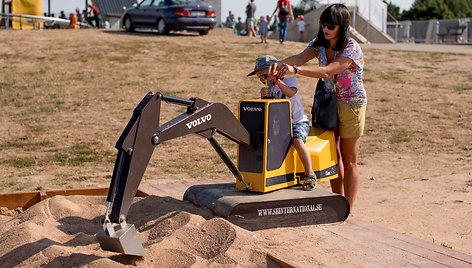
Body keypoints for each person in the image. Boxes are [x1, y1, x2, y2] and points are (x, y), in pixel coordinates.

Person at [267, 4, 367, 210]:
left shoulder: (351, 48)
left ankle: (349, 207)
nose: (326, 29)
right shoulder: (319, 44)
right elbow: (299, 57)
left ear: (342, 26)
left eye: (331, 25)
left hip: (351, 105)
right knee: (334, 155)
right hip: (327, 104)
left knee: (349, 160)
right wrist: (276, 65)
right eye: (323, 24)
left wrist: (295, 70)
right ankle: (338, 204)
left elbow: (328, 71)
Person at [248, 55, 317, 190]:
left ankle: (309, 173)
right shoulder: (269, 88)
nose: (262, 80)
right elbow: (268, 109)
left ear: (275, 70)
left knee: (297, 141)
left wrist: (278, 81)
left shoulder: (290, 81)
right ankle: (274, 175)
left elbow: (291, 93)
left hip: (297, 122)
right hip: (280, 126)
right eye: (259, 77)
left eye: (264, 75)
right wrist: (263, 98)